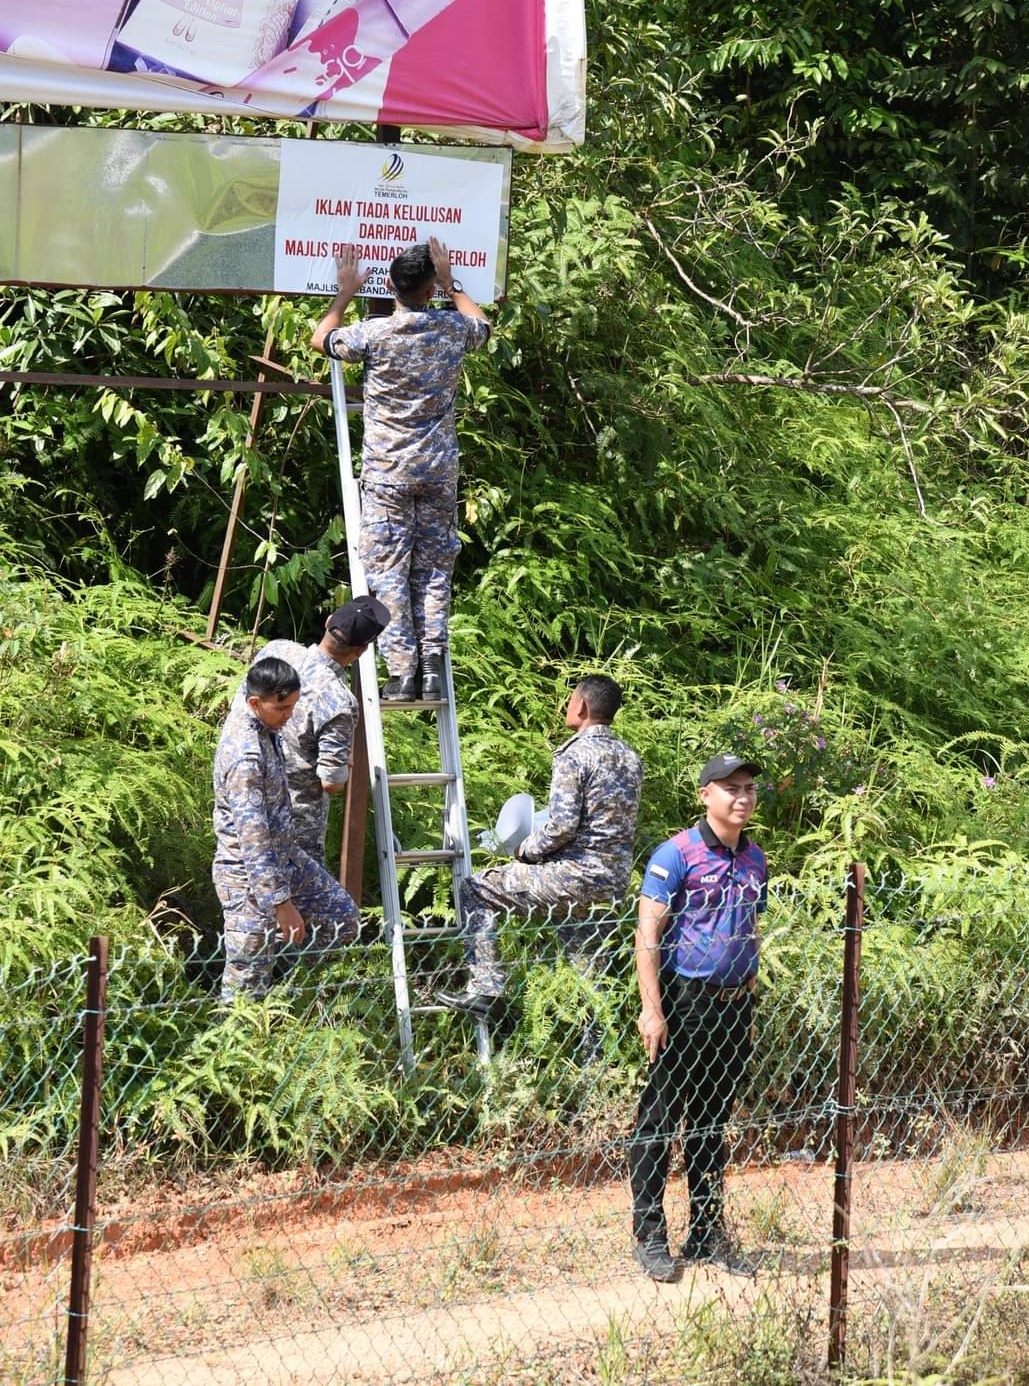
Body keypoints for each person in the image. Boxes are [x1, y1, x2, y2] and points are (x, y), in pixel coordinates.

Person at [311, 237, 491, 702]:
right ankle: (432, 668)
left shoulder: (374, 334)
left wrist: (346, 291)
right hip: (437, 472)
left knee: (389, 571)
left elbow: (321, 338)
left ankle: (402, 672)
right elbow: (482, 325)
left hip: (389, 474)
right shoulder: (452, 330)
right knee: (433, 571)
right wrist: (452, 282)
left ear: (389, 285)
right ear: (431, 290)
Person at [628, 752, 767, 1282]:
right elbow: (648, 936)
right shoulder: (675, 855)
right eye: (730, 787)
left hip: (735, 1006)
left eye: (750, 789)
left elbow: (751, 927)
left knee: (712, 1123)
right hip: (685, 1004)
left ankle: (707, 1232)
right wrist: (652, 1010)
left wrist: (749, 996)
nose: (742, 797)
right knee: (659, 1121)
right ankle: (650, 1236)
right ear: (705, 794)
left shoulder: (756, 859)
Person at [437, 674, 643, 1015]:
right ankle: (595, 1060)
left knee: (477, 888)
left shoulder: (574, 754)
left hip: (573, 878)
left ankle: (486, 988)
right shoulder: (629, 757)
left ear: (582, 705)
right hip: (612, 884)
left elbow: (562, 826)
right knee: (590, 977)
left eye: (570, 698)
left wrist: (526, 851)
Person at [213, 656, 361, 1003]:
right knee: (244, 984)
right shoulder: (245, 756)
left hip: (287, 859)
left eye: (293, 706)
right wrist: (281, 905)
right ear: (254, 702)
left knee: (341, 918)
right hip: (247, 877)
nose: (289, 715)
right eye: (282, 708)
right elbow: (253, 840)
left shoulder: (266, 727)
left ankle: (293, 1000)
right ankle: (235, 1045)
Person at [231, 596, 390, 862]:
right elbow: (331, 782)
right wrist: (343, 762)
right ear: (361, 650)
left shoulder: (276, 650)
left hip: (244, 801)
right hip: (295, 824)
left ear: (328, 622)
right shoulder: (339, 702)